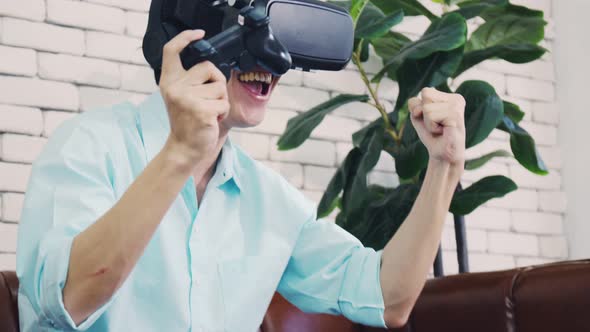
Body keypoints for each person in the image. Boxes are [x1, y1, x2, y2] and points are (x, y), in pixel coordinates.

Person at [16, 28, 466, 332]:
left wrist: (444, 167)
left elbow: (388, 298)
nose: (273, 58)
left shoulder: (269, 200)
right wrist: (180, 153)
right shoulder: (89, 145)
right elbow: (71, 297)